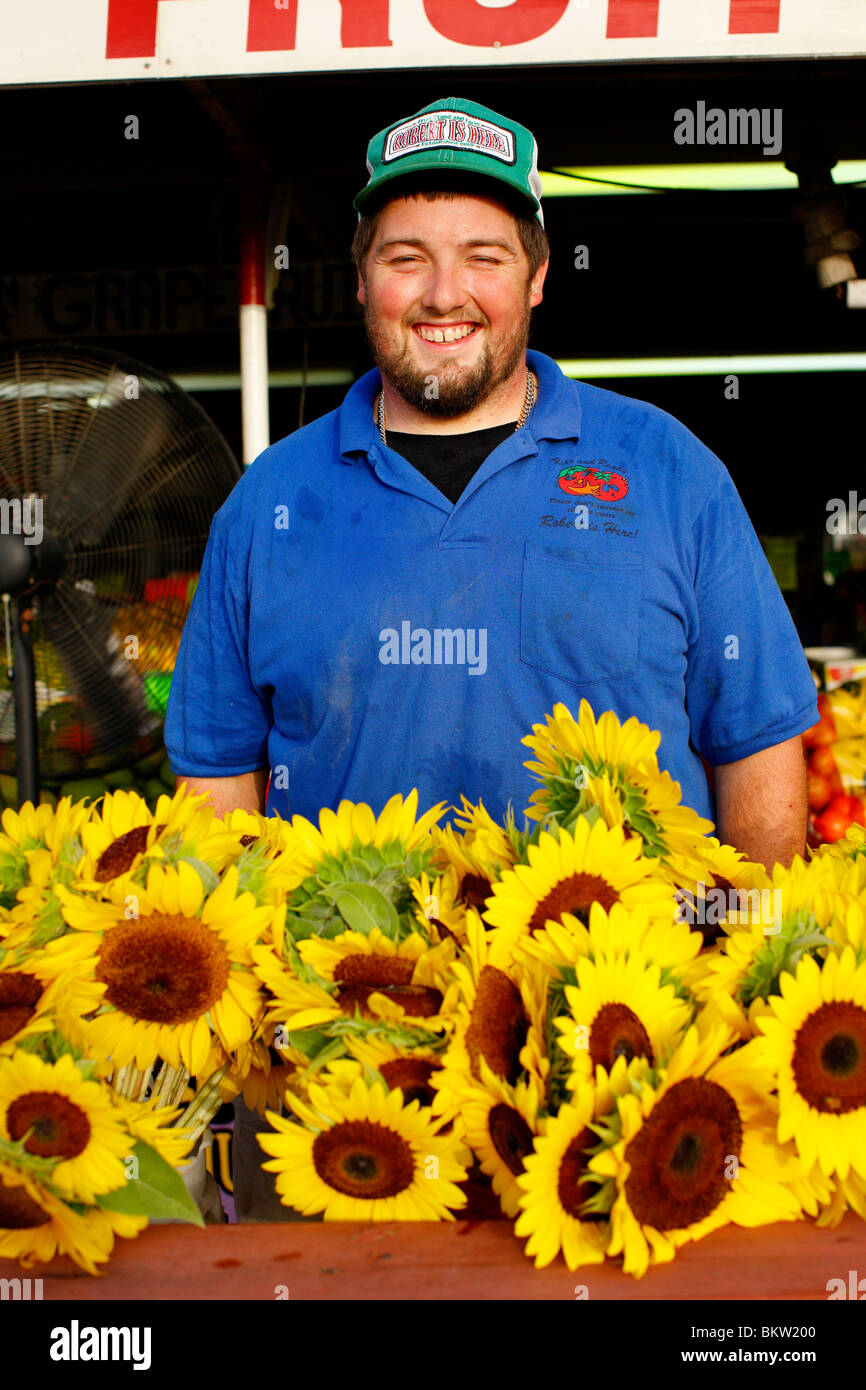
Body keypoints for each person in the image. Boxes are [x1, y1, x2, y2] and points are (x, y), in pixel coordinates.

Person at [165, 96, 817, 1218]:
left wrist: (742, 990)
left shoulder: (666, 473)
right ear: (360, 275)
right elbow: (218, 787)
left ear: (538, 275)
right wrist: (250, 1033)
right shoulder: (269, 505)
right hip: (344, 1091)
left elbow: (754, 757)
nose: (442, 294)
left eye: (482, 255)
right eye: (404, 257)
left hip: (625, 1067)